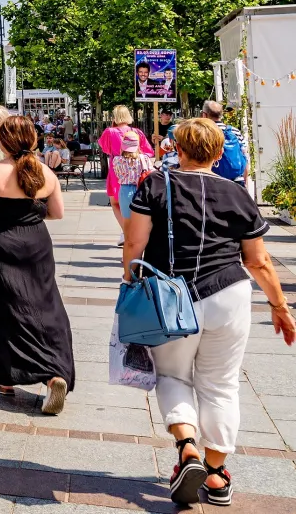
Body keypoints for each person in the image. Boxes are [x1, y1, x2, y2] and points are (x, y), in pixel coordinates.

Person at [124, 117, 294, 506]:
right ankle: (216, 475)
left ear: (177, 149)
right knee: (221, 383)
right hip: (228, 294)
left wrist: (130, 284)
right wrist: (279, 306)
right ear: (219, 154)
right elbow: (259, 261)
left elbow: (135, 243)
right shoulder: (237, 195)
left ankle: (187, 447)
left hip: (170, 298)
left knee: (172, 374)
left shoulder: (155, 185)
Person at [0, 116, 73, 415]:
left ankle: (6, 379)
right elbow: (56, 213)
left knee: (3, 309)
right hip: (37, 245)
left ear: (3, 141)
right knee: (46, 306)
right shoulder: (45, 172)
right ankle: (54, 375)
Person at [99, 106, 154, 245]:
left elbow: (105, 149)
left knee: (115, 202)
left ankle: (126, 231)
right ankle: (132, 231)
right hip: (136, 172)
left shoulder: (109, 131)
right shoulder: (136, 131)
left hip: (117, 170)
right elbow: (149, 152)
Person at [111, 130, 154, 234]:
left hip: (125, 190)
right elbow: (151, 174)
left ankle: (128, 242)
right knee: (144, 222)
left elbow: (118, 175)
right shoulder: (144, 159)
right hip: (142, 190)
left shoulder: (116, 160)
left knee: (127, 222)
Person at [200, 100, 249, 185]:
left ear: (205, 115)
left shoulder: (203, 132)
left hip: (211, 182)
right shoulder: (234, 131)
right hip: (236, 181)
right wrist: (245, 183)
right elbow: (244, 155)